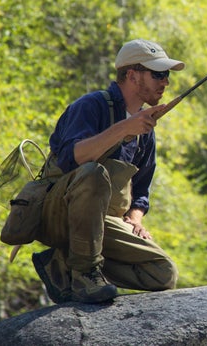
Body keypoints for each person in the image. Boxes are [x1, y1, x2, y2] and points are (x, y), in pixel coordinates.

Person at [31, 39, 183, 304]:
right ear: (132, 75)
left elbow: (141, 190)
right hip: (58, 213)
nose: (166, 82)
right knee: (93, 174)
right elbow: (72, 157)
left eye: (167, 74)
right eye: (158, 74)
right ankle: (85, 273)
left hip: (100, 223)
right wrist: (125, 128)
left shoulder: (145, 131)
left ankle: (65, 263)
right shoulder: (91, 106)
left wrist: (135, 218)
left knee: (163, 273)